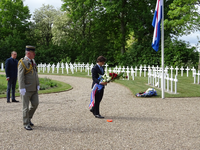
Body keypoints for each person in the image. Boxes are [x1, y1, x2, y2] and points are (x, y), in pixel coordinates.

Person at [18, 45, 40, 130]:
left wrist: (37, 84)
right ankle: (26, 123)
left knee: (35, 104)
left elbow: (35, 74)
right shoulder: (22, 62)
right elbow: (20, 76)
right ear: (28, 53)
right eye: (32, 52)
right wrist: (22, 88)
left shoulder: (32, 61)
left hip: (34, 88)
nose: (34, 54)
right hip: (26, 89)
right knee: (25, 107)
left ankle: (29, 118)